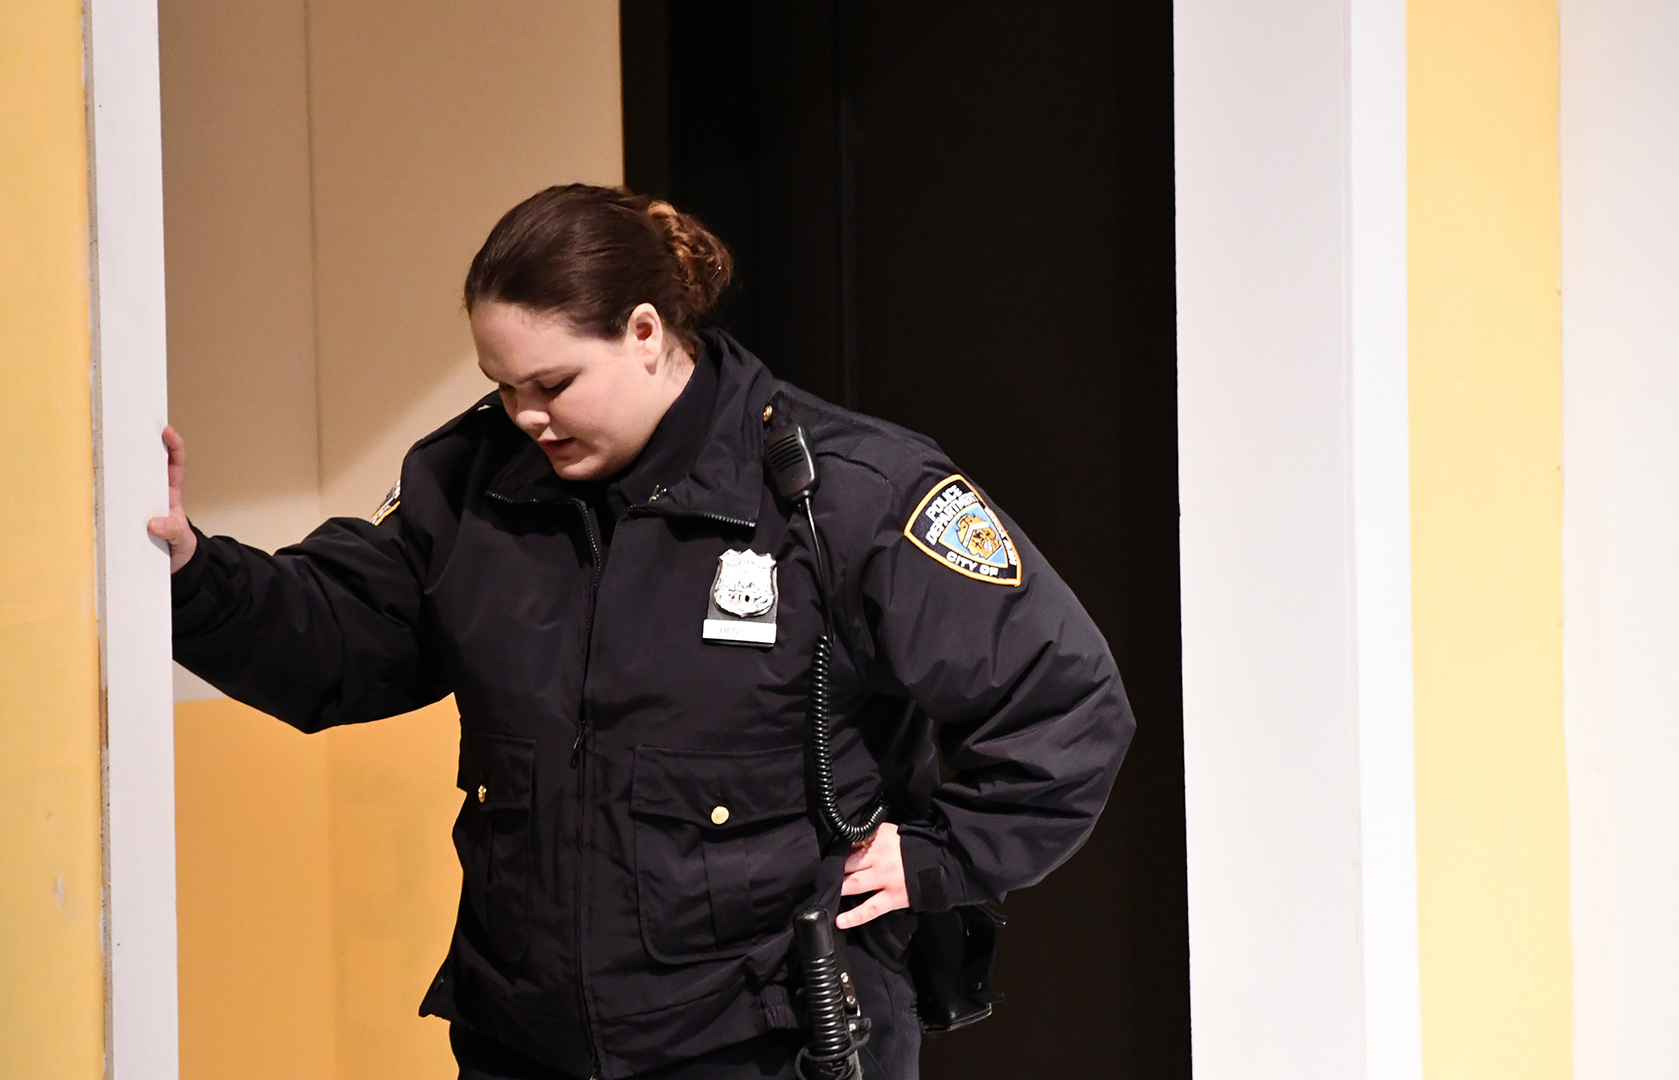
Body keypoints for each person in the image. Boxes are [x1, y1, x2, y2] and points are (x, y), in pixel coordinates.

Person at [152, 184, 1134, 1079]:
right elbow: (331, 636)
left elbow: (1068, 702)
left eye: (553, 383)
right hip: (526, 1041)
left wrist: (937, 857)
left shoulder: (844, 496)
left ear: (646, 331)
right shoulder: (469, 488)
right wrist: (191, 570)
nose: (525, 415)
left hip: (775, 1042)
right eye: (502, 386)